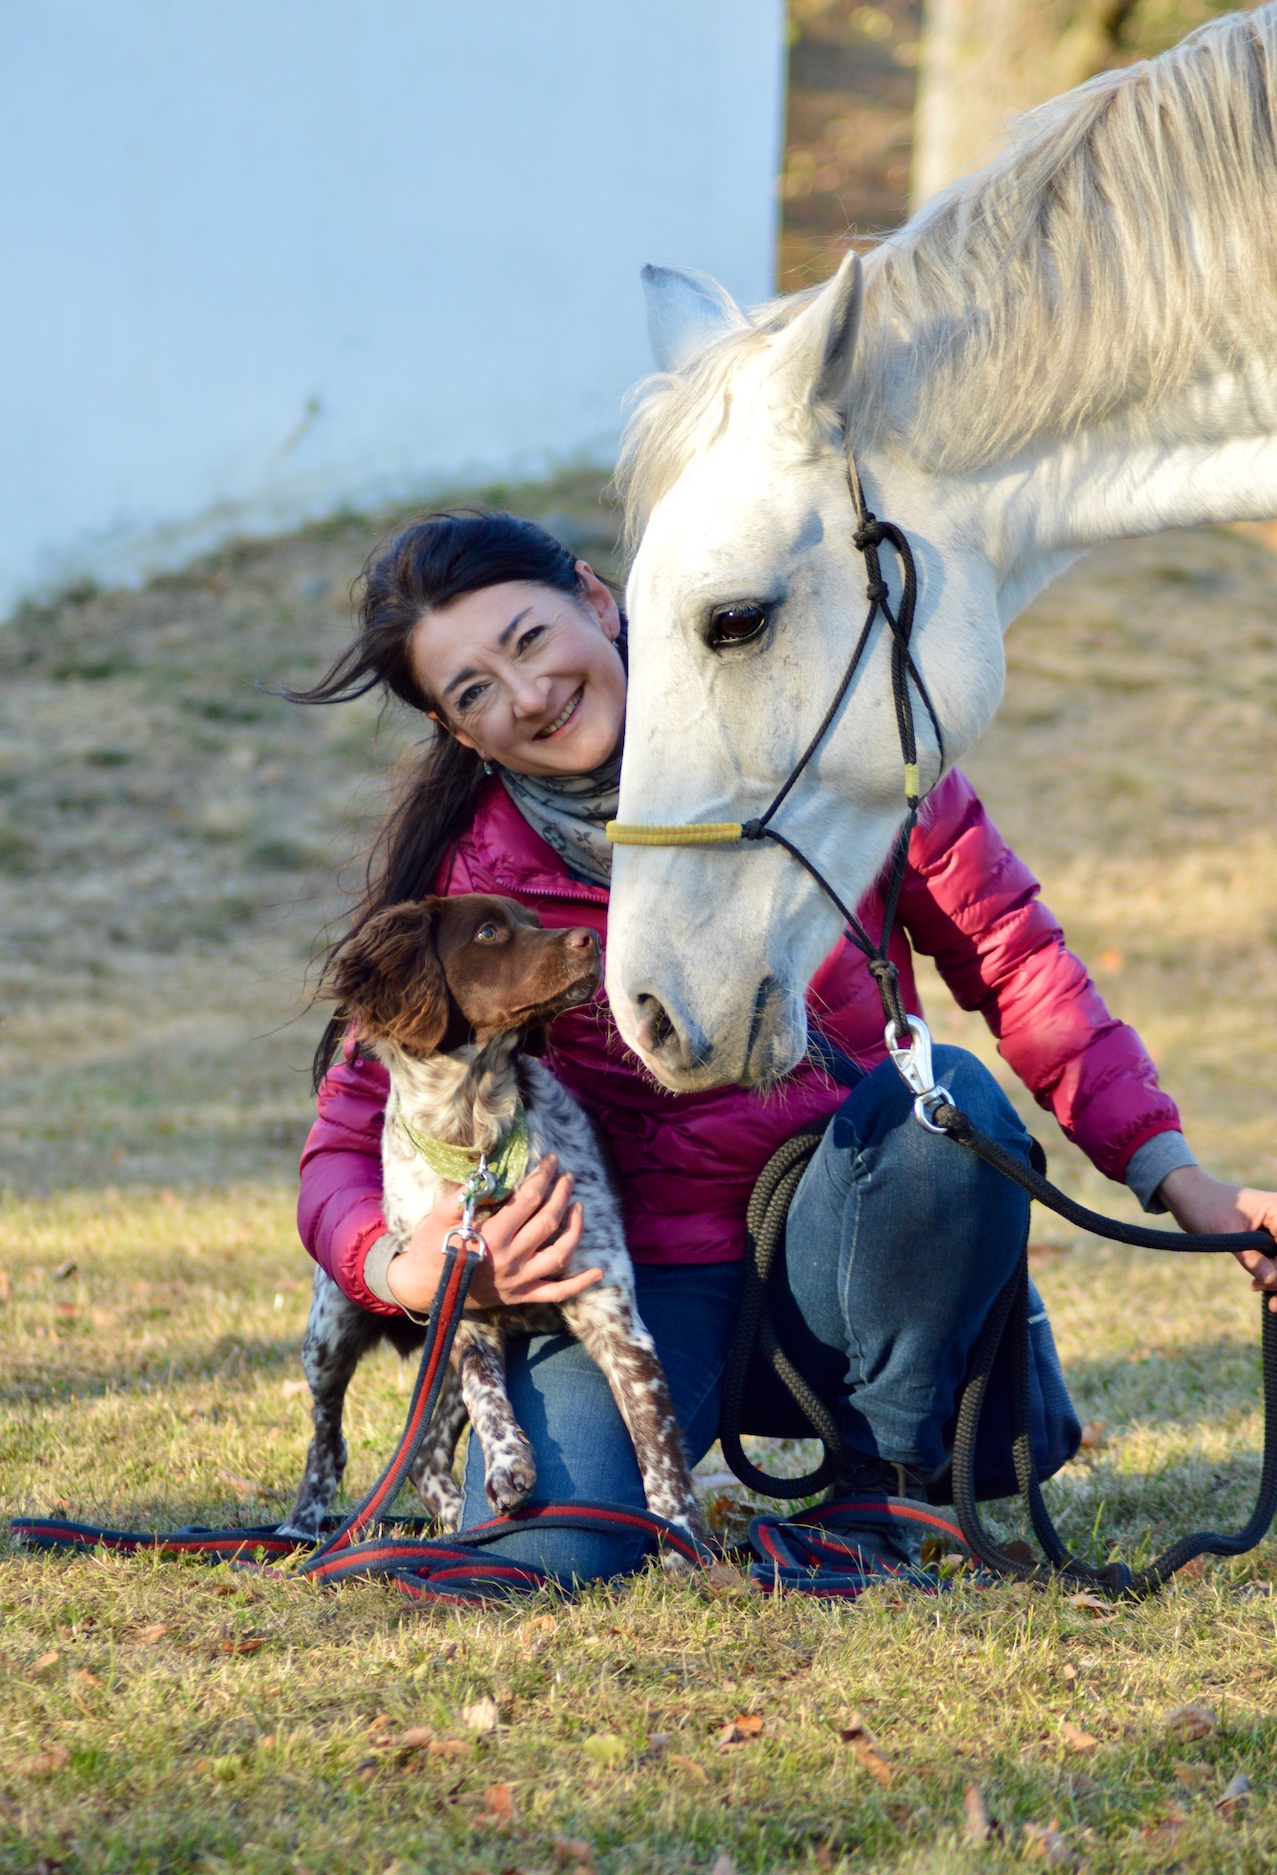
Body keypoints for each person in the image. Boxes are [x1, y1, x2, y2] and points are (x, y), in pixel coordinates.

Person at [286, 508, 1277, 1583]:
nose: (526, 695)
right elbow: (340, 1149)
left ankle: (882, 1490)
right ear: (462, 733)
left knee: (939, 1096)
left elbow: (1014, 959)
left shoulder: (834, 747)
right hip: (639, 1280)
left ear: (597, 599)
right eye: (473, 691)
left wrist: (1176, 1179)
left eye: (529, 639)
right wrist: (400, 1265)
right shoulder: (465, 899)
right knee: (550, 1552)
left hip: (855, 1234)